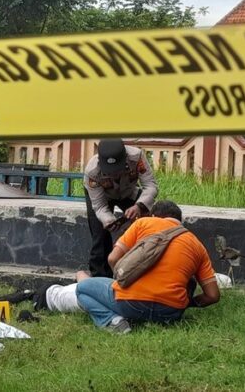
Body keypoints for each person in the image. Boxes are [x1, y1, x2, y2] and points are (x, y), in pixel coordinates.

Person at [75, 200, 220, 334]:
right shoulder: (197, 245)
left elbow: (113, 258)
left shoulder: (143, 223)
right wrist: (187, 304)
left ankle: (112, 321)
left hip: (129, 303)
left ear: (154, 215)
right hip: (170, 312)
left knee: (82, 288)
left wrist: (121, 282)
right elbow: (212, 295)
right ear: (179, 221)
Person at [84, 138, 158, 277]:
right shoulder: (92, 172)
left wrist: (139, 206)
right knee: (100, 237)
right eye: (109, 171)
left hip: (129, 192)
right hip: (102, 197)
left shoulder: (137, 157)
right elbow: (99, 206)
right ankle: (100, 278)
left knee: (148, 224)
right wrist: (108, 220)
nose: (114, 174)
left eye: (117, 169)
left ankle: (147, 268)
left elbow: (150, 186)